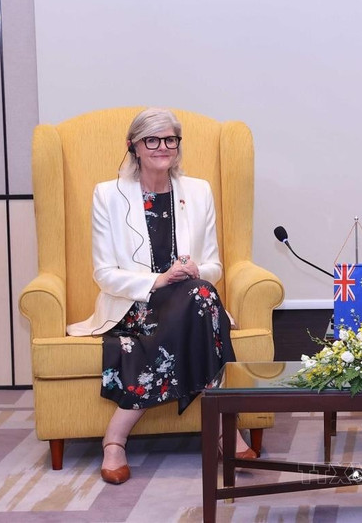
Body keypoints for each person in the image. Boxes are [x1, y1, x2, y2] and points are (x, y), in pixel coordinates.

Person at [67, 108, 256, 485]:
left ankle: (116, 438)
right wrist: (159, 280)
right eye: (151, 140)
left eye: (170, 139)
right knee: (204, 306)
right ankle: (223, 428)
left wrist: (195, 269)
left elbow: (215, 266)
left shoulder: (198, 191)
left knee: (200, 295)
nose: (162, 147)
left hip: (192, 298)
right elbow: (103, 274)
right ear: (133, 146)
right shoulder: (108, 195)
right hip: (136, 306)